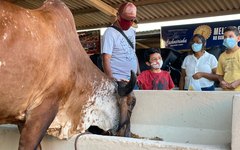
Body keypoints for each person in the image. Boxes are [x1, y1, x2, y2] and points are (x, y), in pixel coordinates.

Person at [101, 2, 139, 81]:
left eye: (132, 20)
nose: (129, 23)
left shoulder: (132, 32)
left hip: (132, 79)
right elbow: (106, 58)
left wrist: (138, 73)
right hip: (118, 79)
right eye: (126, 20)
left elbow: (133, 53)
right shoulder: (110, 33)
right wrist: (111, 78)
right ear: (118, 16)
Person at [216, 26, 240, 91]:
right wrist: (221, 82)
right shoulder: (222, 56)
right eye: (225, 37)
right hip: (226, 91)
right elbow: (220, 75)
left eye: (230, 36)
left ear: (238, 38)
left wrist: (237, 82)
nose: (227, 39)